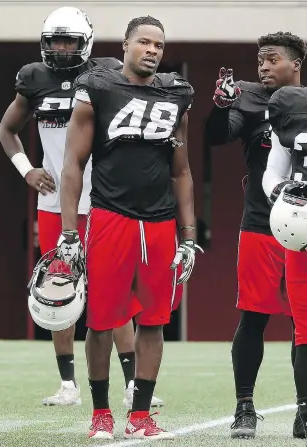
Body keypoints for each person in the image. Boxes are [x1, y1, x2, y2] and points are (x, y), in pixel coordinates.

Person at [0, 6, 163, 409]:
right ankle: (68, 384)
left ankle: (130, 383)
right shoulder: (34, 77)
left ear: (85, 41)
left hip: (105, 201)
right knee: (59, 290)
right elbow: (7, 129)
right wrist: (27, 170)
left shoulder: (106, 72)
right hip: (54, 202)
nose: (61, 48)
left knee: (115, 293)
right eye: (55, 41)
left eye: (69, 40)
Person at [58, 15, 199, 440]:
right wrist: (69, 233)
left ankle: (140, 416)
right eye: (144, 42)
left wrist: (188, 235)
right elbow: (73, 165)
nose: (153, 50)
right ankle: (101, 413)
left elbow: (182, 171)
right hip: (110, 217)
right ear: (125, 45)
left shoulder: (175, 94)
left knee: (154, 321)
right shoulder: (99, 87)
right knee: (101, 321)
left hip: (158, 224)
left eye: (159, 44)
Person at [205, 31, 306, 439]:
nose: (263, 66)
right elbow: (217, 136)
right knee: (254, 315)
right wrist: (220, 107)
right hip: (262, 223)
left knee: (305, 321)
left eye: (272, 59)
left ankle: (304, 410)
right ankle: (244, 406)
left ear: (295, 63)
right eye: (259, 60)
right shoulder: (248, 97)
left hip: (305, 229)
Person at [262, 85, 307, 440]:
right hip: (302, 228)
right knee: (304, 329)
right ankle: (304, 411)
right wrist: (282, 192)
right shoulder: (290, 108)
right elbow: (273, 174)